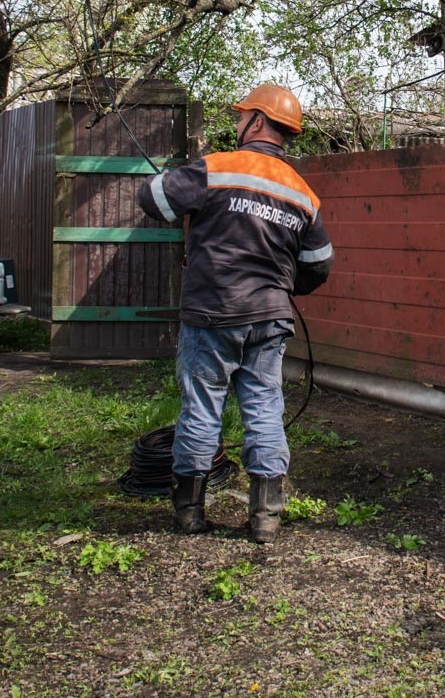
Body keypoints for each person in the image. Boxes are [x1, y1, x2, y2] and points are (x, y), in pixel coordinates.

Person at [135, 83, 334, 544]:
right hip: (269, 317)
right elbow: (319, 263)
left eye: (241, 115)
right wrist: (285, 286)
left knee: (202, 409)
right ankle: (265, 520)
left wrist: (169, 181)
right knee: (264, 407)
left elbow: (153, 200)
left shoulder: (219, 168)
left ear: (257, 122)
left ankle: (189, 514)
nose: (237, 121)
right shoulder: (303, 194)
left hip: (212, 314)